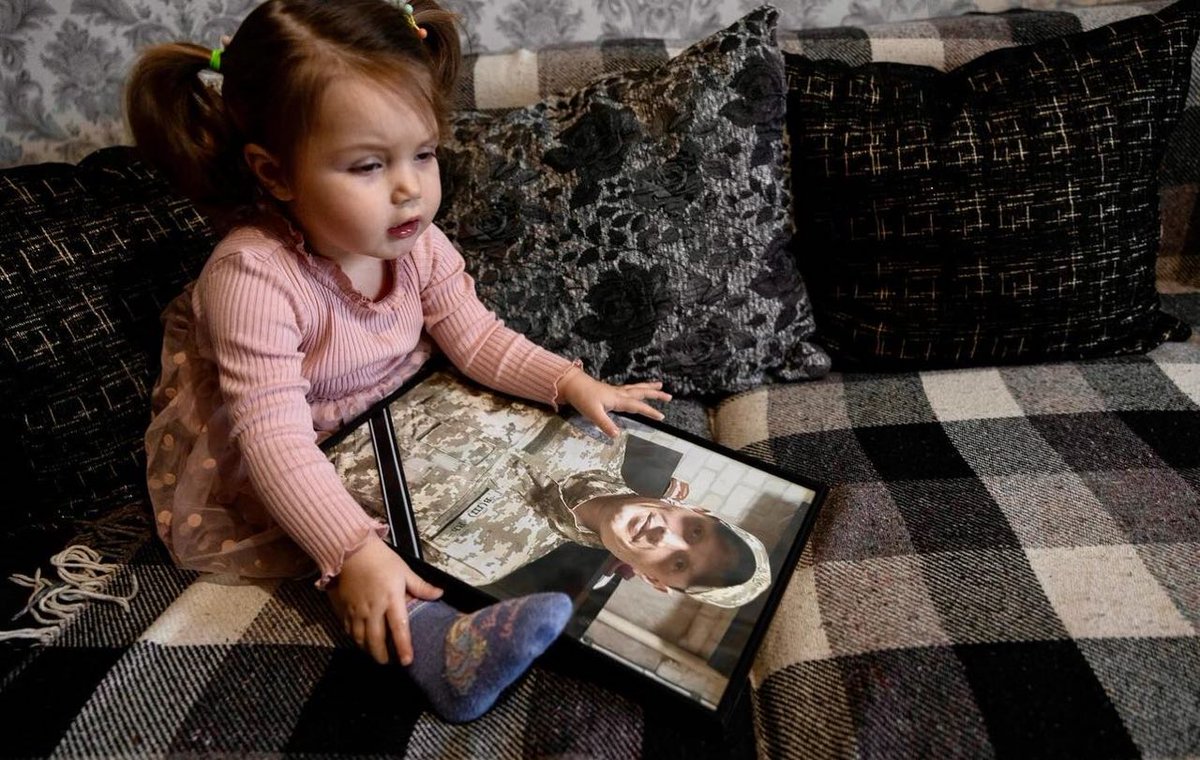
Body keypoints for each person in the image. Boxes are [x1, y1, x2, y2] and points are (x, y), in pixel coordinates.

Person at [125, 0, 671, 723]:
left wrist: (568, 381)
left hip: (401, 416)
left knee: (505, 471)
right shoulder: (251, 277)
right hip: (293, 453)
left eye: (423, 153)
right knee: (374, 552)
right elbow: (276, 445)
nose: (410, 188)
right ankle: (440, 644)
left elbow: (475, 338)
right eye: (368, 165)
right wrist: (351, 552)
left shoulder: (416, 242)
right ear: (276, 173)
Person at [344, 373, 770, 608]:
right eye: (693, 532)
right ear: (692, 508)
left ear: (654, 581)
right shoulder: (600, 424)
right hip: (383, 356)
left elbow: (355, 535)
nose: (665, 537)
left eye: (677, 563)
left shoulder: (485, 565)